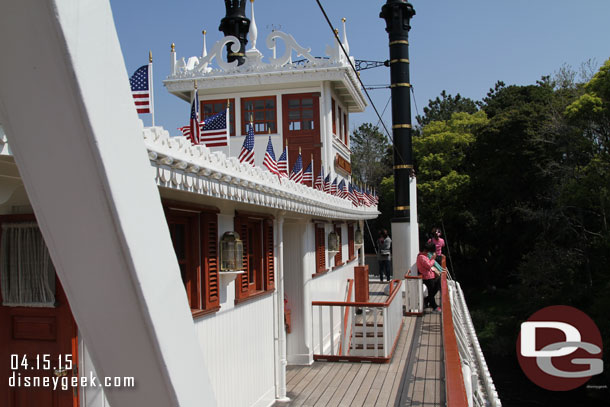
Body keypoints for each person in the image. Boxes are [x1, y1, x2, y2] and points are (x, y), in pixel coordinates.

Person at [417, 241, 441, 312]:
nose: (428, 253)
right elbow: (428, 266)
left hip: (430, 276)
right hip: (427, 277)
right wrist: (433, 259)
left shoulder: (423, 256)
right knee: (431, 291)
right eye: (427, 251)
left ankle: (427, 300)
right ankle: (434, 306)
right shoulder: (421, 257)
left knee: (436, 288)